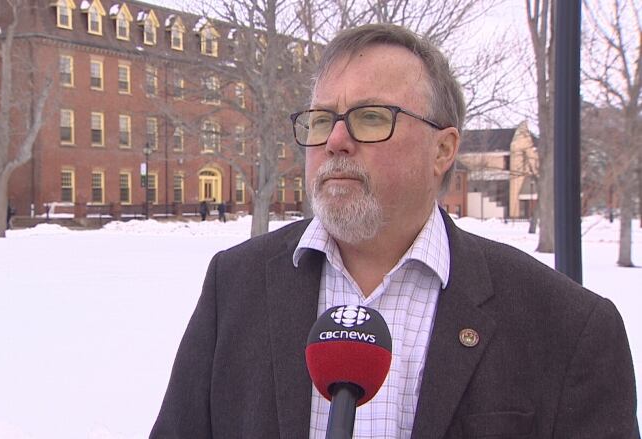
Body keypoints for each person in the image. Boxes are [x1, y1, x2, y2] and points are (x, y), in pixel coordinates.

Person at [150, 24, 638, 438]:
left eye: (370, 117)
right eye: (322, 120)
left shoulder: (568, 327)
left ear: (443, 150)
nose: (336, 140)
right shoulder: (234, 285)